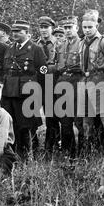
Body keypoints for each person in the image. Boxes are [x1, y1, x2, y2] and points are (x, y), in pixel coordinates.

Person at [1, 20, 47, 159]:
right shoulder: (9, 48)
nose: (15, 34)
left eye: (19, 31)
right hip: (10, 91)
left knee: (26, 126)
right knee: (12, 124)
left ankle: (27, 155)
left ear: (27, 33)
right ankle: (13, 154)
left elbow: (42, 73)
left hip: (26, 93)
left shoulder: (36, 49)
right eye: (13, 31)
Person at [79, 9, 104, 152]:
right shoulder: (82, 42)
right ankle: (87, 152)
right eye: (84, 27)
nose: (87, 30)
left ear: (96, 25)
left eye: (90, 27)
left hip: (101, 81)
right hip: (85, 81)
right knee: (86, 120)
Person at [54, 15, 84, 158]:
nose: (67, 30)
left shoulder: (82, 44)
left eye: (69, 27)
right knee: (64, 121)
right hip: (62, 83)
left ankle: (83, 153)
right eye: (65, 28)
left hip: (77, 82)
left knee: (79, 120)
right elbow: (58, 65)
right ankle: (68, 153)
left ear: (76, 28)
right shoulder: (60, 45)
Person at [36, 16, 60, 155]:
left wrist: (46, 68)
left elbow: (59, 64)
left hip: (52, 82)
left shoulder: (58, 43)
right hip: (38, 82)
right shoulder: (36, 44)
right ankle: (36, 145)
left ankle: (51, 147)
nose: (44, 30)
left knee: (51, 116)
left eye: (46, 27)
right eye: (41, 27)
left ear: (52, 28)